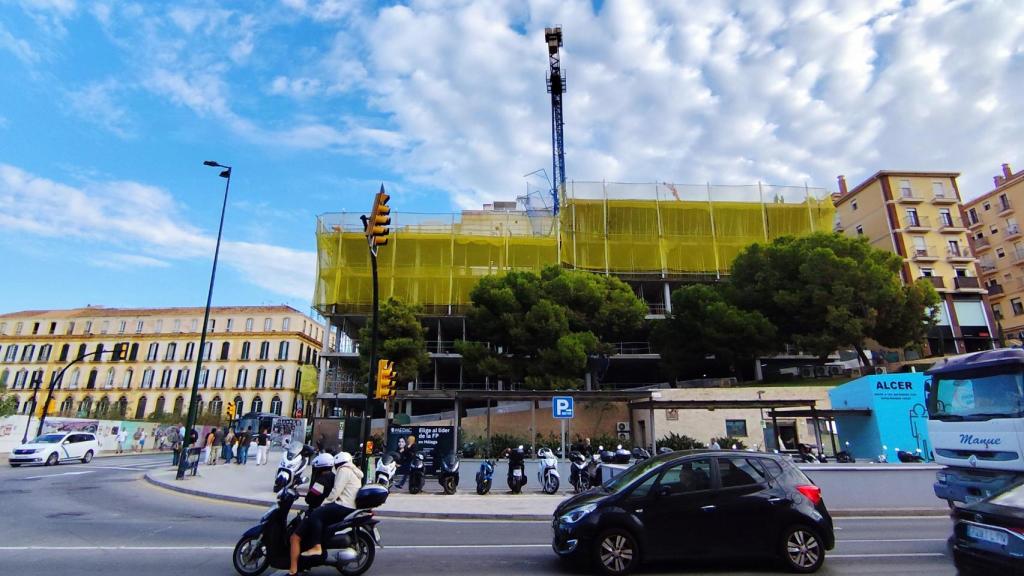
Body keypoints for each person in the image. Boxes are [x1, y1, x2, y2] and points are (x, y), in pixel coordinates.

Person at [288, 452, 363, 575]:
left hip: (342, 505)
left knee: (308, 523)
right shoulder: (341, 474)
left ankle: (301, 562)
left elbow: (315, 496)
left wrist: (325, 503)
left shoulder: (325, 478)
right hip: (349, 506)